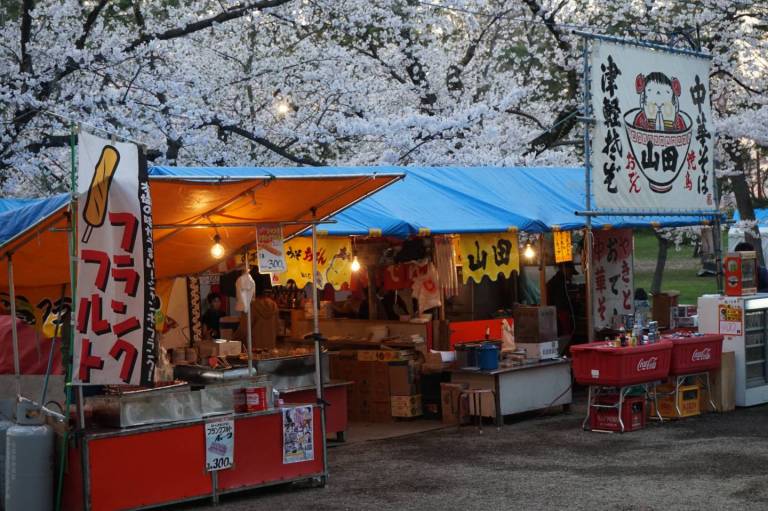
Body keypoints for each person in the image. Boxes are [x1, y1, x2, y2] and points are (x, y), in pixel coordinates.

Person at [546, 261, 578, 336]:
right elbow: (561, 303)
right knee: (565, 335)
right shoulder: (559, 283)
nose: (571, 276)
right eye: (570, 273)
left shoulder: (558, 281)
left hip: (559, 314)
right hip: (561, 314)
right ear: (565, 269)